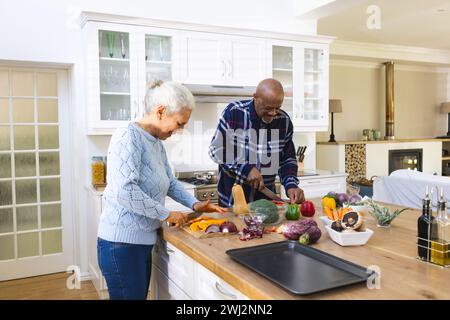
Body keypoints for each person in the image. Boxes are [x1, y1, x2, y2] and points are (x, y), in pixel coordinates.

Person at [97, 80, 227, 300]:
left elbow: (171, 182)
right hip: (120, 245)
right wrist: (167, 213)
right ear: (160, 112)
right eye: (179, 123)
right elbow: (125, 191)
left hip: (140, 242)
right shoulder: (127, 136)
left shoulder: (155, 143)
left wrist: (195, 204)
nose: (180, 130)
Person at [209, 78, 305, 207]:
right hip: (232, 203)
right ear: (255, 97)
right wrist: (245, 168)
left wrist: (291, 184)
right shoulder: (234, 112)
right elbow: (217, 150)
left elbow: (287, 159)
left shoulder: (284, 121)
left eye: (277, 108)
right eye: (268, 108)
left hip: (266, 204)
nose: (273, 113)